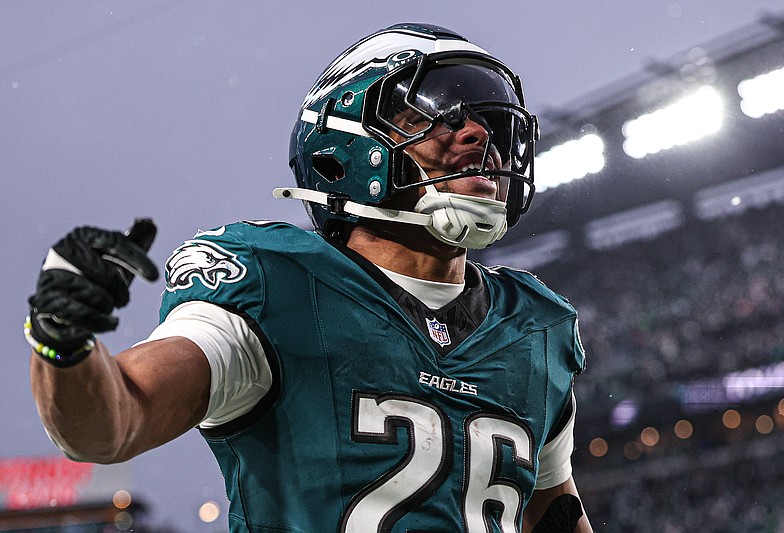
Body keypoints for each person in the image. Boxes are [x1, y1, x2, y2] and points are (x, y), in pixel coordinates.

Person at [25, 23, 592, 532]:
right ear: (345, 145)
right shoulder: (278, 284)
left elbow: (554, 514)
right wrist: (61, 342)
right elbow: (110, 425)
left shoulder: (536, 330)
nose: (477, 135)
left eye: (488, 123)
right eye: (433, 116)